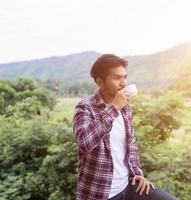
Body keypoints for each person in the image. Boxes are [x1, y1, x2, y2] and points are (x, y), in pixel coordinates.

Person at [73, 54, 176, 200]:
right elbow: (84, 143)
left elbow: (131, 145)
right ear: (100, 82)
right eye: (117, 78)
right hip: (100, 193)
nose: (123, 83)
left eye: (125, 77)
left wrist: (138, 174)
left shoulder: (125, 107)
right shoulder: (86, 107)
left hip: (128, 187)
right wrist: (114, 107)